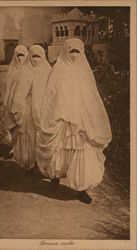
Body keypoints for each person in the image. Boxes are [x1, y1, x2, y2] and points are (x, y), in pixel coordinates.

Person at [37, 38, 112, 204]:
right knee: (59, 148)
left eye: (78, 51)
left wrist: (90, 116)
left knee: (82, 151)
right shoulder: (58, 71)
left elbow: (92, 97)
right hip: (61, 117)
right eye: (71, 51)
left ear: (82, 53)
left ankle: (81, 189)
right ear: (66, 52)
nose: (74, 54)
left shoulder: (85, 72)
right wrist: (57, 112)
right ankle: (55, 177)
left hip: (81, 119)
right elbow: (50, 96)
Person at [9, 44, 51, 172]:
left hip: (44, 108)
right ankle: (30, 163)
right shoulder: (25, 72)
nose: (36, 59)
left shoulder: (48, 71)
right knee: (30, 135)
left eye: (38, 57)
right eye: (33, 57)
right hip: (28, 109)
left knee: (42, 136)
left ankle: (43, 164)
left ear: (43, 57)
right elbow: (19, 94)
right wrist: (18, 111)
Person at [2, 45, 29, 147]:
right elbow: (5, 88)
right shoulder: (11, 70)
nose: (20, 58)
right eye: (18, 55)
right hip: (10, 102)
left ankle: (21, 148)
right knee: (12, 125)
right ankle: (13, 146)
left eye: (22, 55)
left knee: (23, 127)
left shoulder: (28, 70)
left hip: (23, 103)